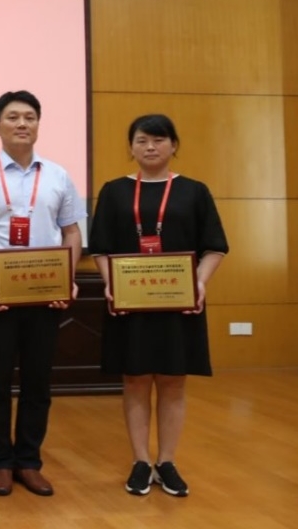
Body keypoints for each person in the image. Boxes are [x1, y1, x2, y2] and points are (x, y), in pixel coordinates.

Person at [89, 114, 227, 498]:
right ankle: (139, 461)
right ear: (131, 147)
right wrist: (111, 283)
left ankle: (166, 461)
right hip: (129, 303)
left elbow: (215, 246)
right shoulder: (114, 191)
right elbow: (100, 248)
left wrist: (199, 282)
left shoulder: (194, 191)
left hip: (178, 303)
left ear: (174, 145)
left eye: (159, 139)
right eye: (142, 140)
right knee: (134, 380)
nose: (150, 147)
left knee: (172, 380)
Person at [0, 90, 86, 497]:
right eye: (12, 117)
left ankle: (29, 461)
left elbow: (71, 231)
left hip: (46, 288)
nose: (22, 124)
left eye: (29, 117)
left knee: (37, 379)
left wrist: (67, 276)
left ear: (38, 125)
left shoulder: (58, 176)